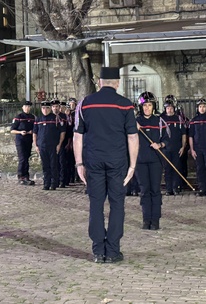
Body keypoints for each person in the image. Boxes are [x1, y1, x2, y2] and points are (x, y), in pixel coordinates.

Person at [73, 66, 139, 264]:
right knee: (117, 204)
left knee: (96, 204)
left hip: (93, 160)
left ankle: (97, 251)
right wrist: (133, 165)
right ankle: (112, 250)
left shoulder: (85, 104)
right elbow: (133, 137)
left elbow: (77, 137)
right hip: (117, 161)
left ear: (99, 82)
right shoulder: (125, 105)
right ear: (117, 83)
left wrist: (79, 163)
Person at [135, 91, 170, 230]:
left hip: (156, 161)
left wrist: (160, 145)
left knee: (155, 190)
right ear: (141, 107)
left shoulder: (159, 121)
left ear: (153, 106)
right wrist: (132, 128)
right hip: (140, 161)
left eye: (149, 105)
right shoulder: (135, 122)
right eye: (145, 106)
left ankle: (155, 220)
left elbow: (168, 140)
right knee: (144, 191)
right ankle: (146, 219)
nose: (147, 108)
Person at [33, 101, 66, 190]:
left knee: (53, 165)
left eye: (47, 108)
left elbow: (62, 132)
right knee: (45, 165)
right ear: (41, 109)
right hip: (42, 146)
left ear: (49, 108)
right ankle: (46, 183)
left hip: (53, 146)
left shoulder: (55, 118)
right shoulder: (38, 119)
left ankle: (53, 183)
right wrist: (35, 145)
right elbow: (35, 133)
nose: (45, 110)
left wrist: (59, 144)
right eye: (43, 108)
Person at [159, 95, 187, 195]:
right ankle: (168, 189)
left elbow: (184, 134)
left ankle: (176, 188)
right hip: (165, 149)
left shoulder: (179, 119)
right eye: (167, 108)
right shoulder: (161, 119)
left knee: (176, 169)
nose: (169, 110)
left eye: (171, 108)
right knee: (167, 170)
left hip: (177, 149)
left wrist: (183, 147)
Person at [10, 100, 36, 186]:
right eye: (25, 106)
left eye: (28, 107)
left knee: (27, 158)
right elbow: (12, 130)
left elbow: (35, 128)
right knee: (22, 158)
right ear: (22, 107)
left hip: (29, 139)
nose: (27, 108)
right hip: (20, 140)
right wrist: (20, 132)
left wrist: (32, 132)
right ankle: (21, 176)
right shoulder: (18, 117)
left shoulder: (32, 117)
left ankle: (26, 176)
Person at [50, 99, 69, 188]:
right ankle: (55, 180)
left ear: (59, 107)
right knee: (54, 162)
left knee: (62, 162)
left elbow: (67, 130)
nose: (55, 108)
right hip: (52, 142)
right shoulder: (49, 117)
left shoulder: (64, 117)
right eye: (53, 106)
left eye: (56, 106)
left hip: (62, 142)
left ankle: (62, 180)